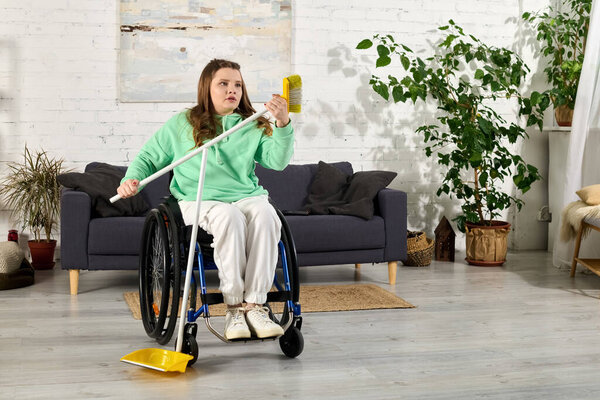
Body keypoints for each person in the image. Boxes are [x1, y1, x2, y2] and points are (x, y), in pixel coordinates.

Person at [117, 59, 294, 340]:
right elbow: (149, 157)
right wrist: (131, 180)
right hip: (198, 199)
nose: (231, 90)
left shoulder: (253, 124)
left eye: (237, 84)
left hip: (245, 195)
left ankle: (256, 305)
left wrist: (283, 123)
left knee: (266, 214)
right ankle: (235, 307)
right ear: (206, 89)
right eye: (223, 83)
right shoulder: (182, 123)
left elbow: (278, 161)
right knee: (229, 216)